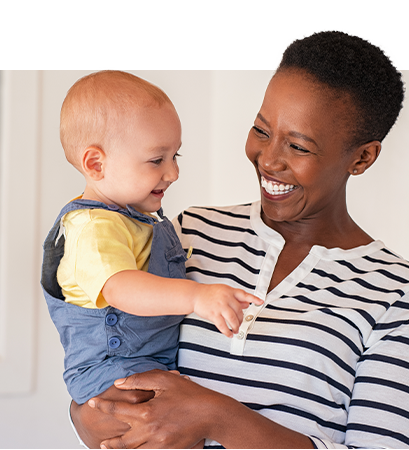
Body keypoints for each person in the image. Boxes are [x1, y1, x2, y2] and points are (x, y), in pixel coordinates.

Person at [69, 30, 409, 450]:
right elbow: (104, 343)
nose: (268, 159)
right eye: (261, 131)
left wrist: (217, 416)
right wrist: (83, 415)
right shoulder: (185, 233)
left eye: (298, 146)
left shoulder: (401, 293)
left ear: (362, 158)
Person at [40, 71, 262, 425]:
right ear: (96, 164)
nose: (172, 172)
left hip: (147, 364)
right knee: (173, 429)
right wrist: (196, 297)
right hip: (114, 374)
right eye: (157, 160)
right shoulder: (92, 228)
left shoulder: (134, 218)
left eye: (176, 156)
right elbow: (122, 288)